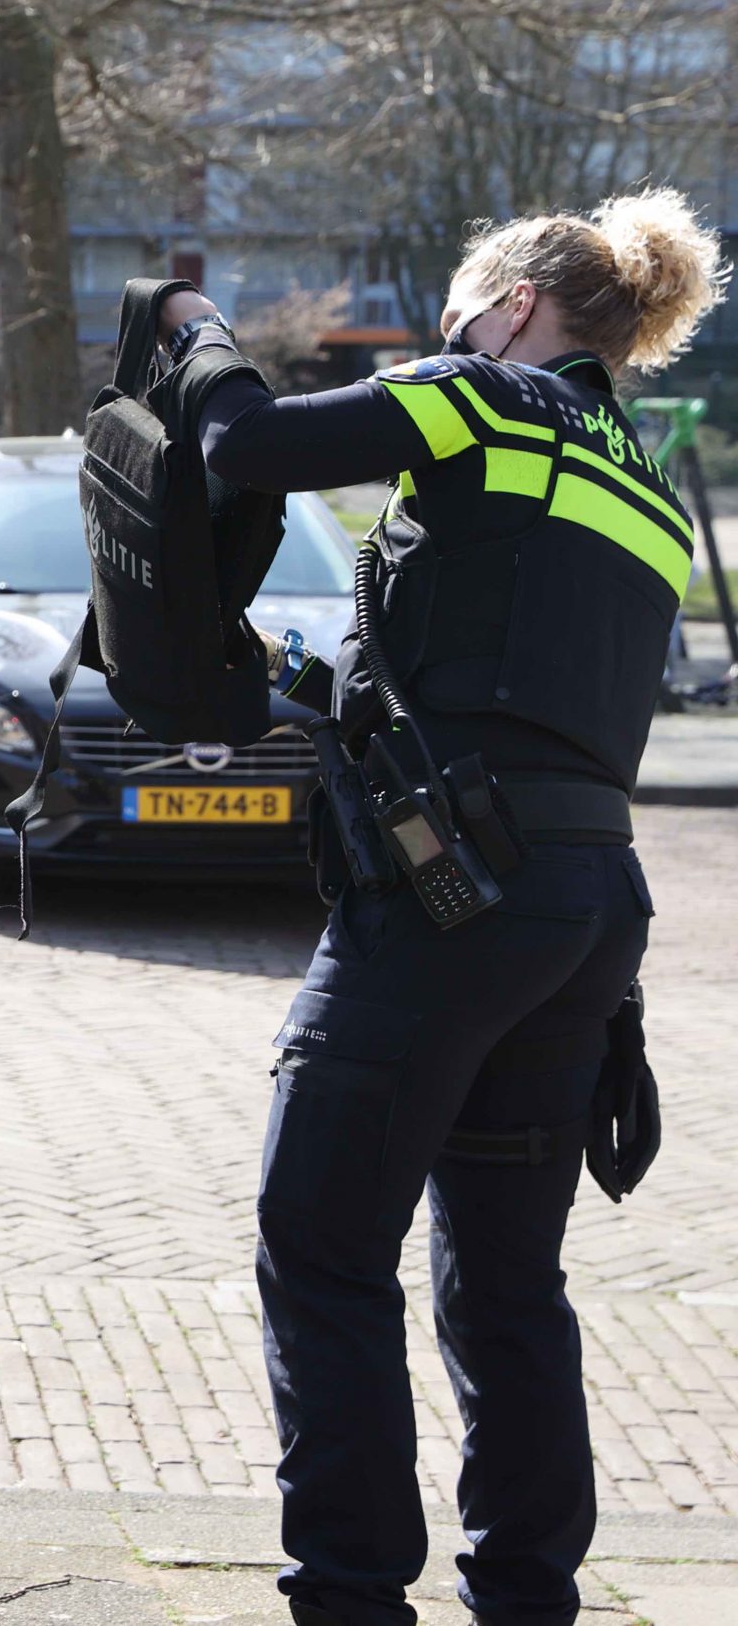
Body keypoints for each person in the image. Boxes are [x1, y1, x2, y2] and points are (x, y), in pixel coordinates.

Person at [153, 192, 725, 1626]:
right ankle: (526, 1594)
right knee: (508, 1279)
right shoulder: (650, 490)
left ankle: (350, 1594)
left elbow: (244, 444)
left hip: (449, 896)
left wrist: (195, 327)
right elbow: (502, 670)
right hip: (587, 910)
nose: (449, 331)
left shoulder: (486, 397)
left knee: (322, 1239)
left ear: (517, 305)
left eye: (464, 308)